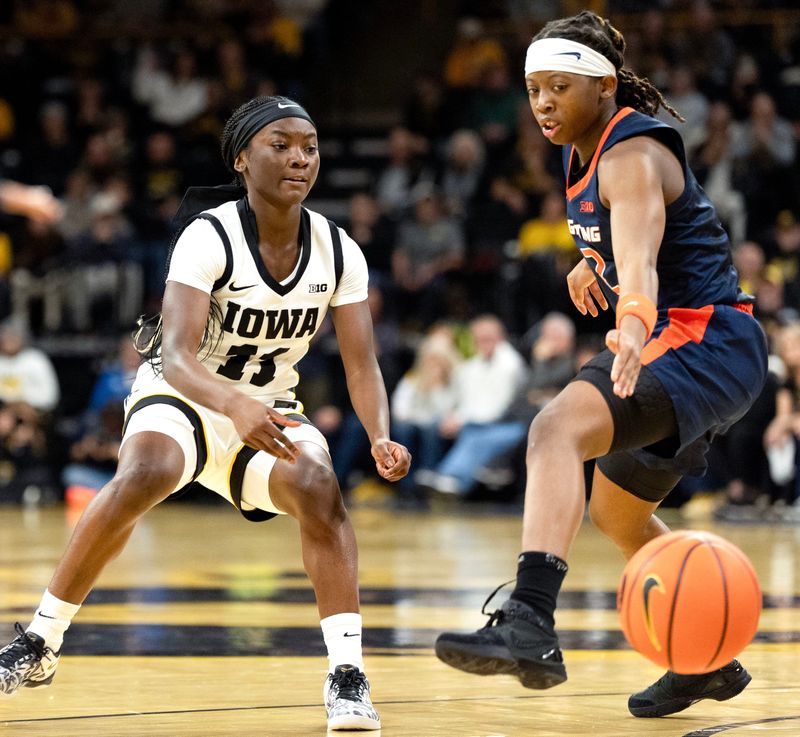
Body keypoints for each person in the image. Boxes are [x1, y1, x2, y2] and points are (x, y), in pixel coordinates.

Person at [0, 95, 411, 732]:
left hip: (267, 405)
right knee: (147, 469)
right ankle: (41, 640)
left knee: (318, 486)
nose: (300, 158)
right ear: (243, 159)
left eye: (309, 146)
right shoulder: (210, 234)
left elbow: (362, 366)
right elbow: (176, 354)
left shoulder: (339, 250)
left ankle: (347, 674)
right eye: (281, 145)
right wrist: (233, 406)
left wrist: (380, 434)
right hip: (184, 393)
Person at [434, 11, 768, 720]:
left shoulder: (630, 157)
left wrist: (630, 322)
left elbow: (644, 260)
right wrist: (591, 267)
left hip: (702, 339)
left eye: (559, 86)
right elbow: (620, 245)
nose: (544, 103)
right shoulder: (577, 149)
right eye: (533, 89)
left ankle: (529, 617)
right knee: (617, 512)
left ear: (604, 85)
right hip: (702, 346)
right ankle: (702, 656)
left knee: (555, 429)